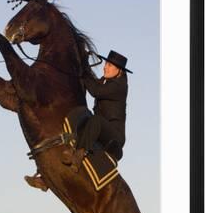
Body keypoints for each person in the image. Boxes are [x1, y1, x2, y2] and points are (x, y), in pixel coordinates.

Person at [24, 50, 131, 191]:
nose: (105, 67)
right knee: (69, 133)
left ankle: (78, 155)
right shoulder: (106, 81)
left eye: (110, 66)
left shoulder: (120, 86)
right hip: (98, 130)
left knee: (95, 121)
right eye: (106, 63)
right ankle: (45, 179)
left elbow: (95, 90)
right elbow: (90, 82)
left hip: (114, 138)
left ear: (120, 71)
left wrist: (84, 66)